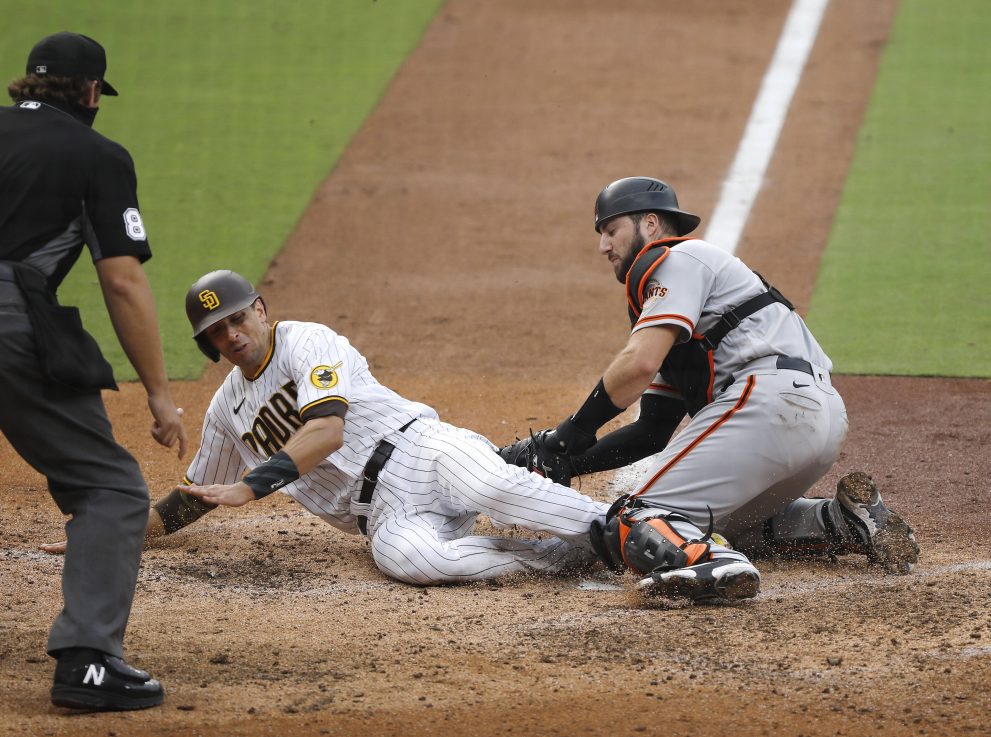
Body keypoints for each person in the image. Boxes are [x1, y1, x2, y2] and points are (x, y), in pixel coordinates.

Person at [499, 176, 919, 602]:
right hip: (813, 417)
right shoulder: (689, 308)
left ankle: (710, 563)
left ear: (649, 223)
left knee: (636, 519)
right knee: (715, 525)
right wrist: (570, 463)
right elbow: (652, 430)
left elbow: (638, 364)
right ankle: (842, 521)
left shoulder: (677, 259)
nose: (602, 246)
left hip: (769, 404)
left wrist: (564, 436)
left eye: (611, 231)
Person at [105, 269, 608, 585]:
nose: (231, 335)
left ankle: (623, 527)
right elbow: (194, 496)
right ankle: (560, 557)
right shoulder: (226, 409)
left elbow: (327, 430)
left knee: (493, 484)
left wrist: (250, 487)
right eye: (217, 332)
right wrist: (111, 537)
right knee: (414, 563)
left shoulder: (306, 341)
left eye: (237, 319)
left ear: (259, 309)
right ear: (209, 344)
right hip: (382, 515)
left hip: (422, 450)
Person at [0, 32, 186, 710]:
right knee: (108, 486)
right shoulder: (95, 154)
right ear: (88, 93)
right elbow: (123, 282)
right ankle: (87, 663)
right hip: (7, 319)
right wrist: (161, 395)